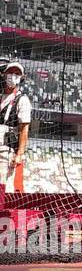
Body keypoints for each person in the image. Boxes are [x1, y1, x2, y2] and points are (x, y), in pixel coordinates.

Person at [1, 62, 31, 193]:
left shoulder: (22, 99)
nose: (13, 75)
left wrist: (19, 154)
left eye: (17, 73)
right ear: (4, 75)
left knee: (3, 183)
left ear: (21, 77)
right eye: (10, 72)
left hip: (6, 150)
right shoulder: (1, 96)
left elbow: (24, 129)